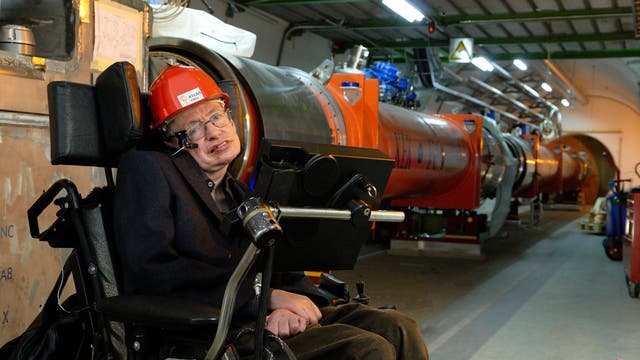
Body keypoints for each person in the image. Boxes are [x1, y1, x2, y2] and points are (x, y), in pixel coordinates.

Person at [113, 64, 429, 359]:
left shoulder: (239, 192)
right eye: (194, 129)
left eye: (215, 117)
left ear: (230, 119)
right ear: (174, 143)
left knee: (399, 328)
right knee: (367, 350)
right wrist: (264, 298)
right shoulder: (149, 169)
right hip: (215, 327)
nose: (212, 132)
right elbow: (153, 271)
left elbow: (277, 262)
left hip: (260, 311)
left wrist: (287, 306)